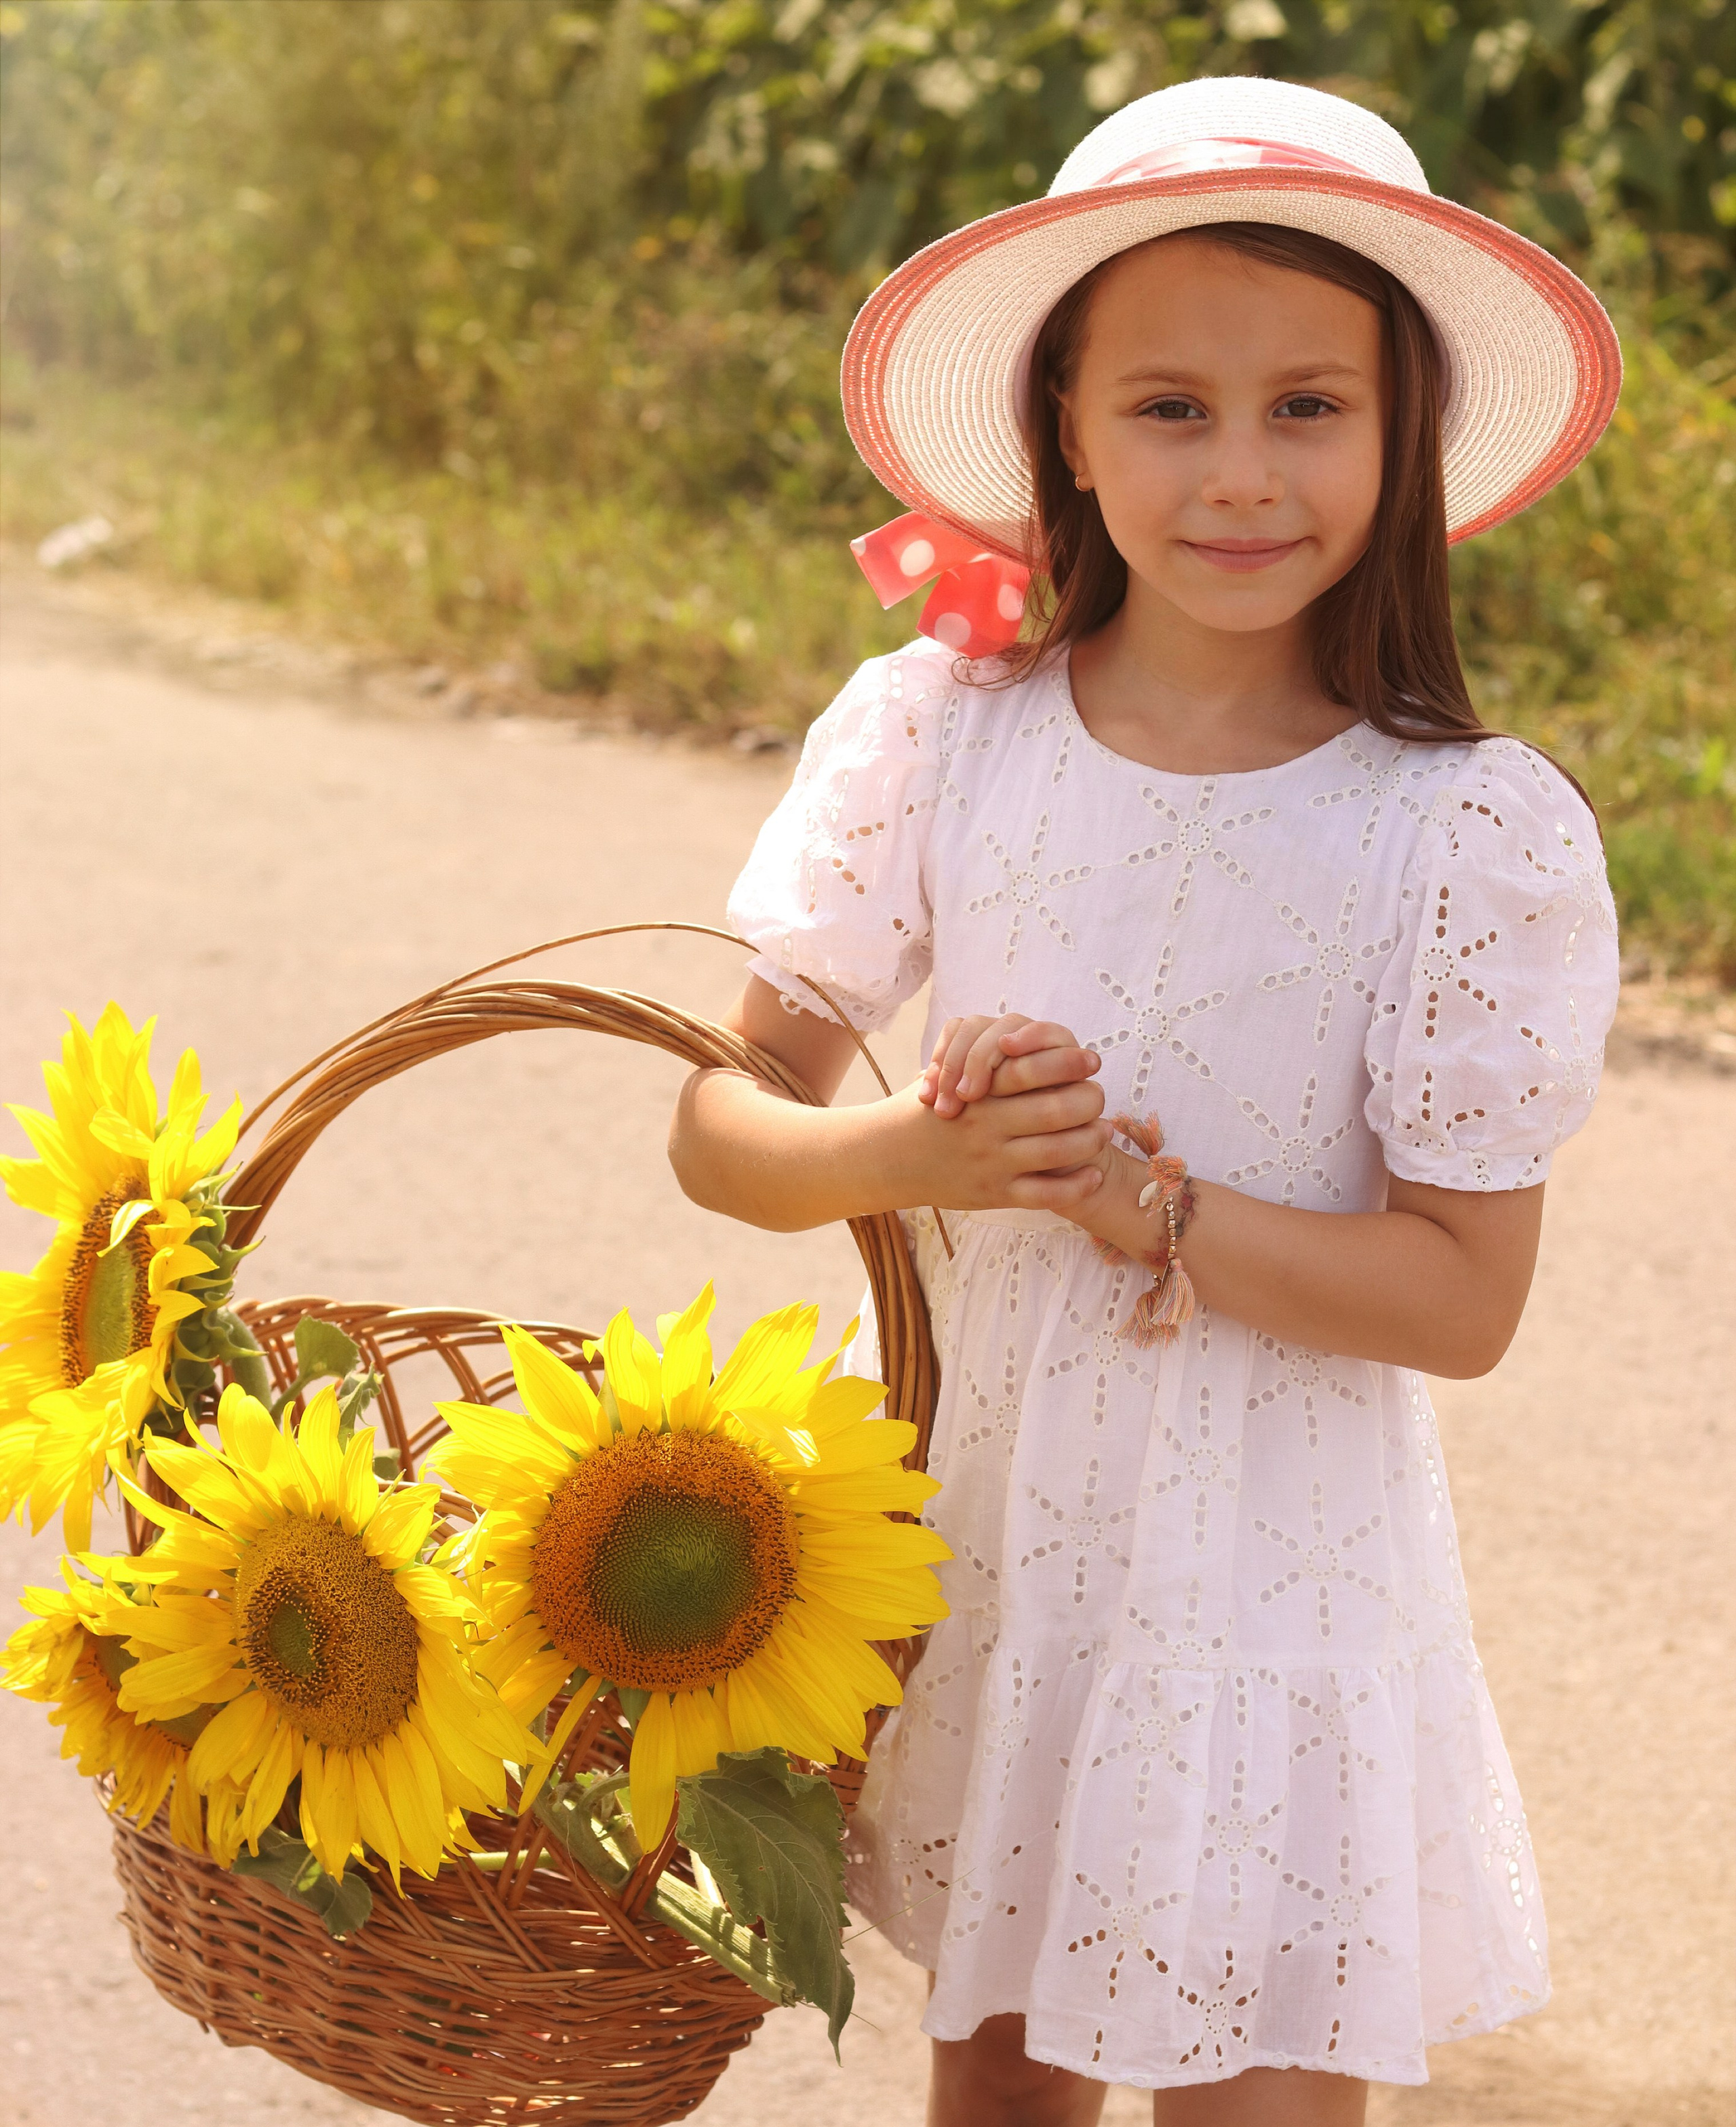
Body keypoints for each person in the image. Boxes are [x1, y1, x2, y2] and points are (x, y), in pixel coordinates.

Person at [669, 76, 1621, 2126]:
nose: (1242, 472)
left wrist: (1143, 1206)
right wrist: (916, 1155)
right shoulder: (947, 729)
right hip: (992, 1556)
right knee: (997, 2095)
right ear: (1066, 435)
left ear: (1404, 433)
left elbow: (1463, 1298)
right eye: (1169, 407)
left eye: (1310, 405)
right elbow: (721, 1124)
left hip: (1273, 1595)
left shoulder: (1460, 831)